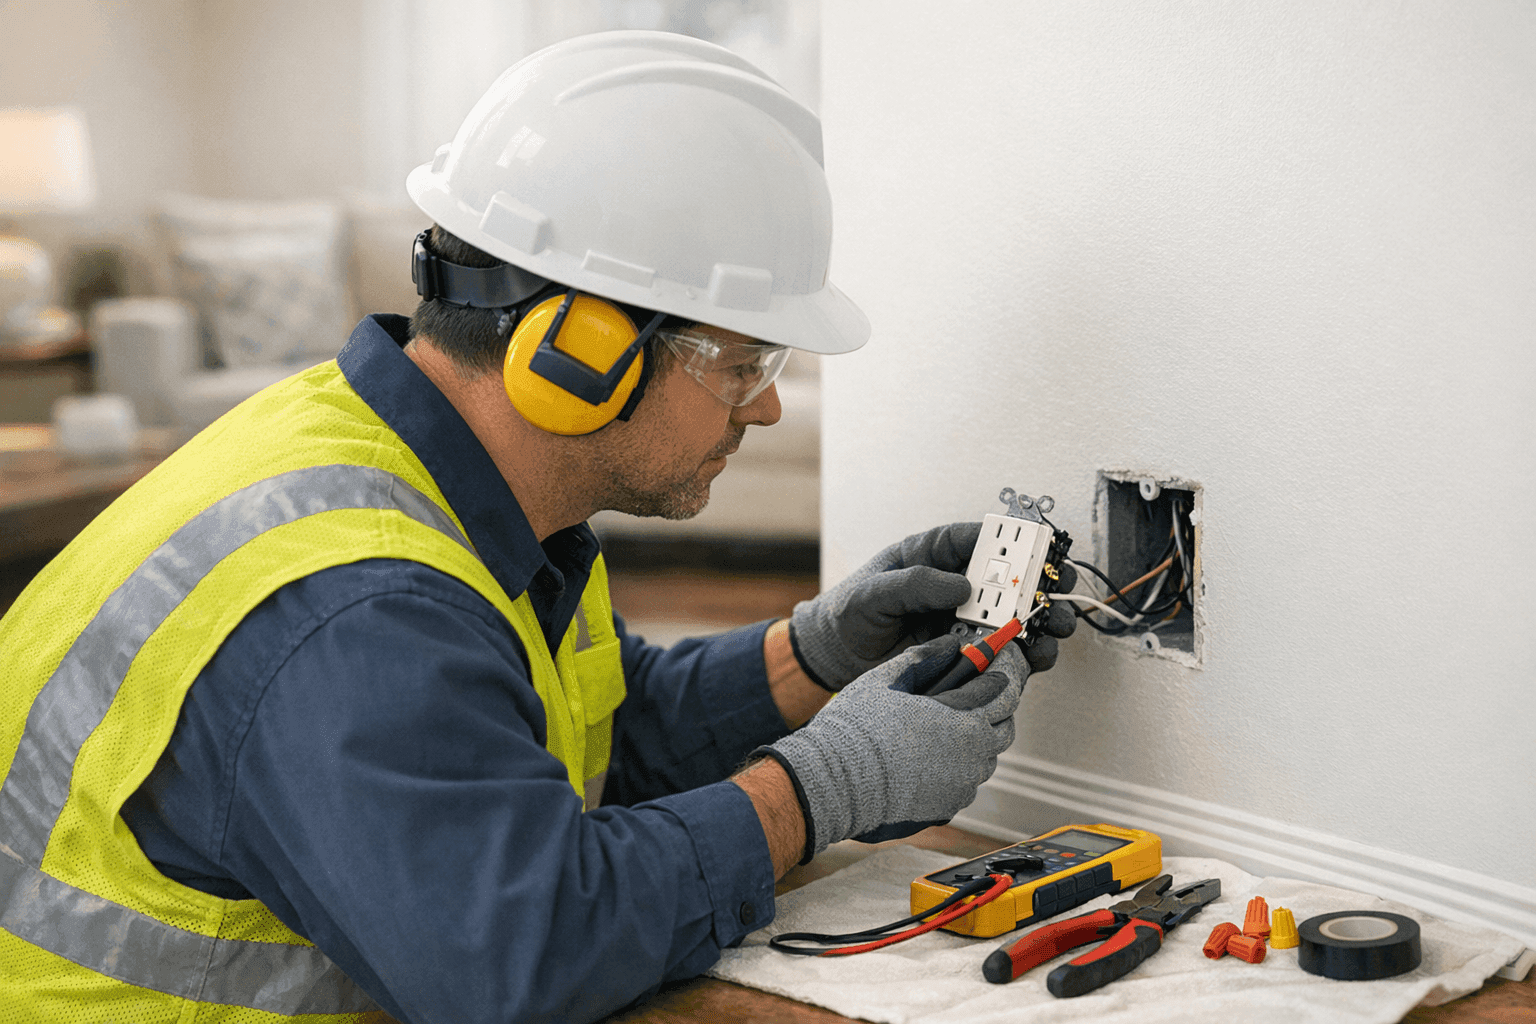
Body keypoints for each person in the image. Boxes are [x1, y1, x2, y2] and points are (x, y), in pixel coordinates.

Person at [0, 31, 1072, 1024]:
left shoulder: (422, 478)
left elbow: (568, 735)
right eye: (744, 364)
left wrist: (816, 653)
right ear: (577, 348)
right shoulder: (354, 605)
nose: (767, 407)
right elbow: (517, 952)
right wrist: (816, 788)